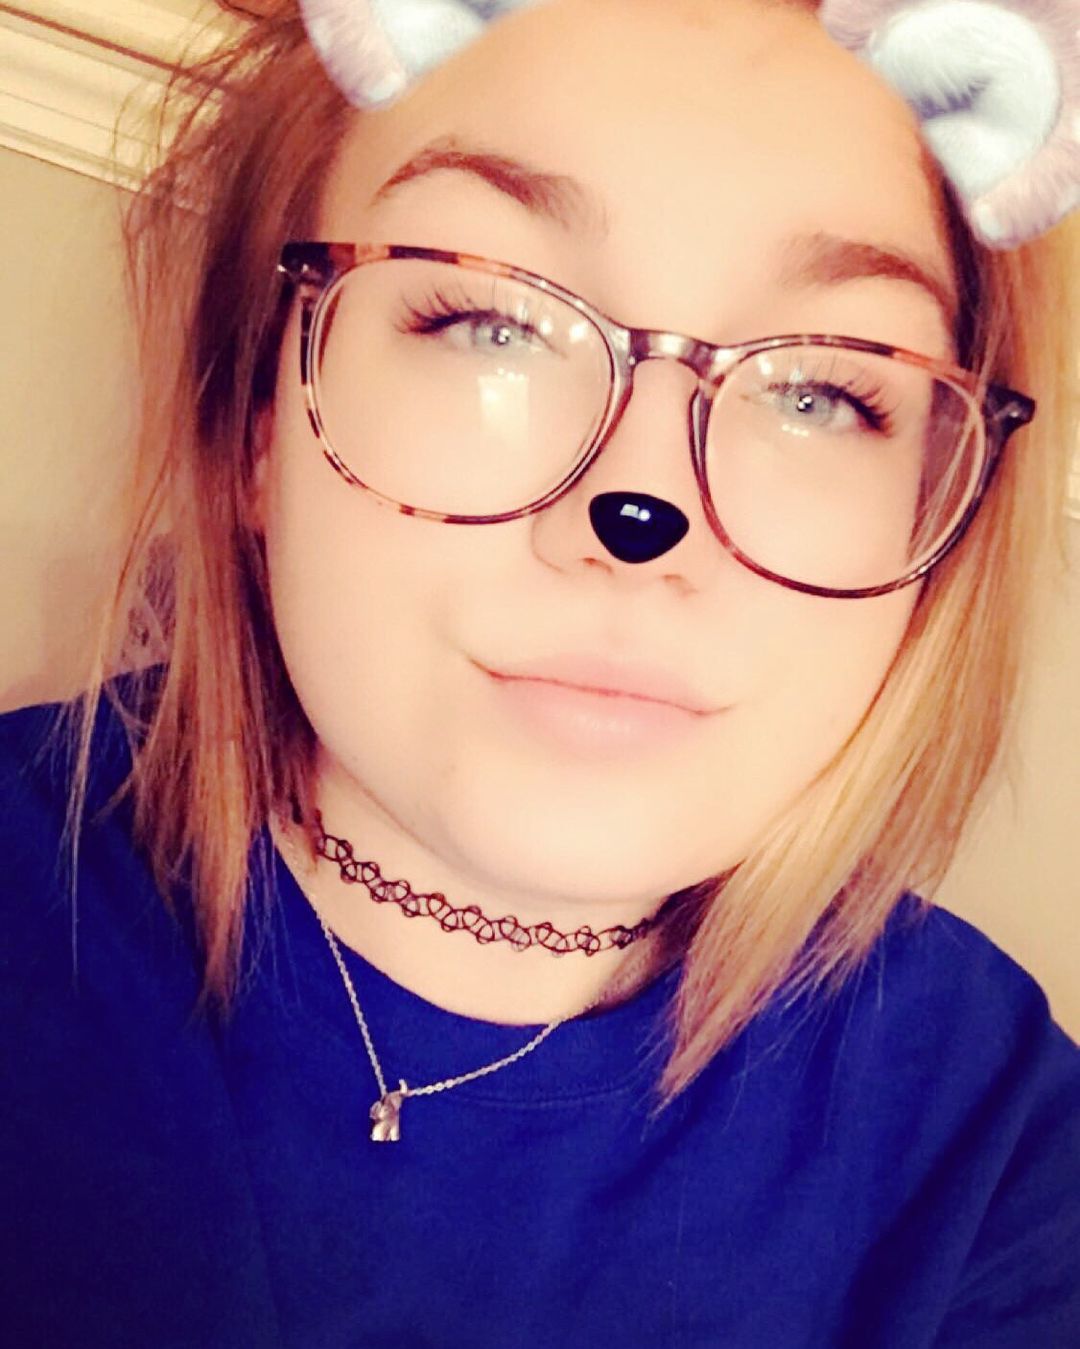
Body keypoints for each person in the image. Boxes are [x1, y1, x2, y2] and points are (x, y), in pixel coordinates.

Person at [2, 0, 1078, 1343]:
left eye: (822, 390)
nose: (641, 508)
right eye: (491, 319)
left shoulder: (996, 1158)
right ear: (256, 426)